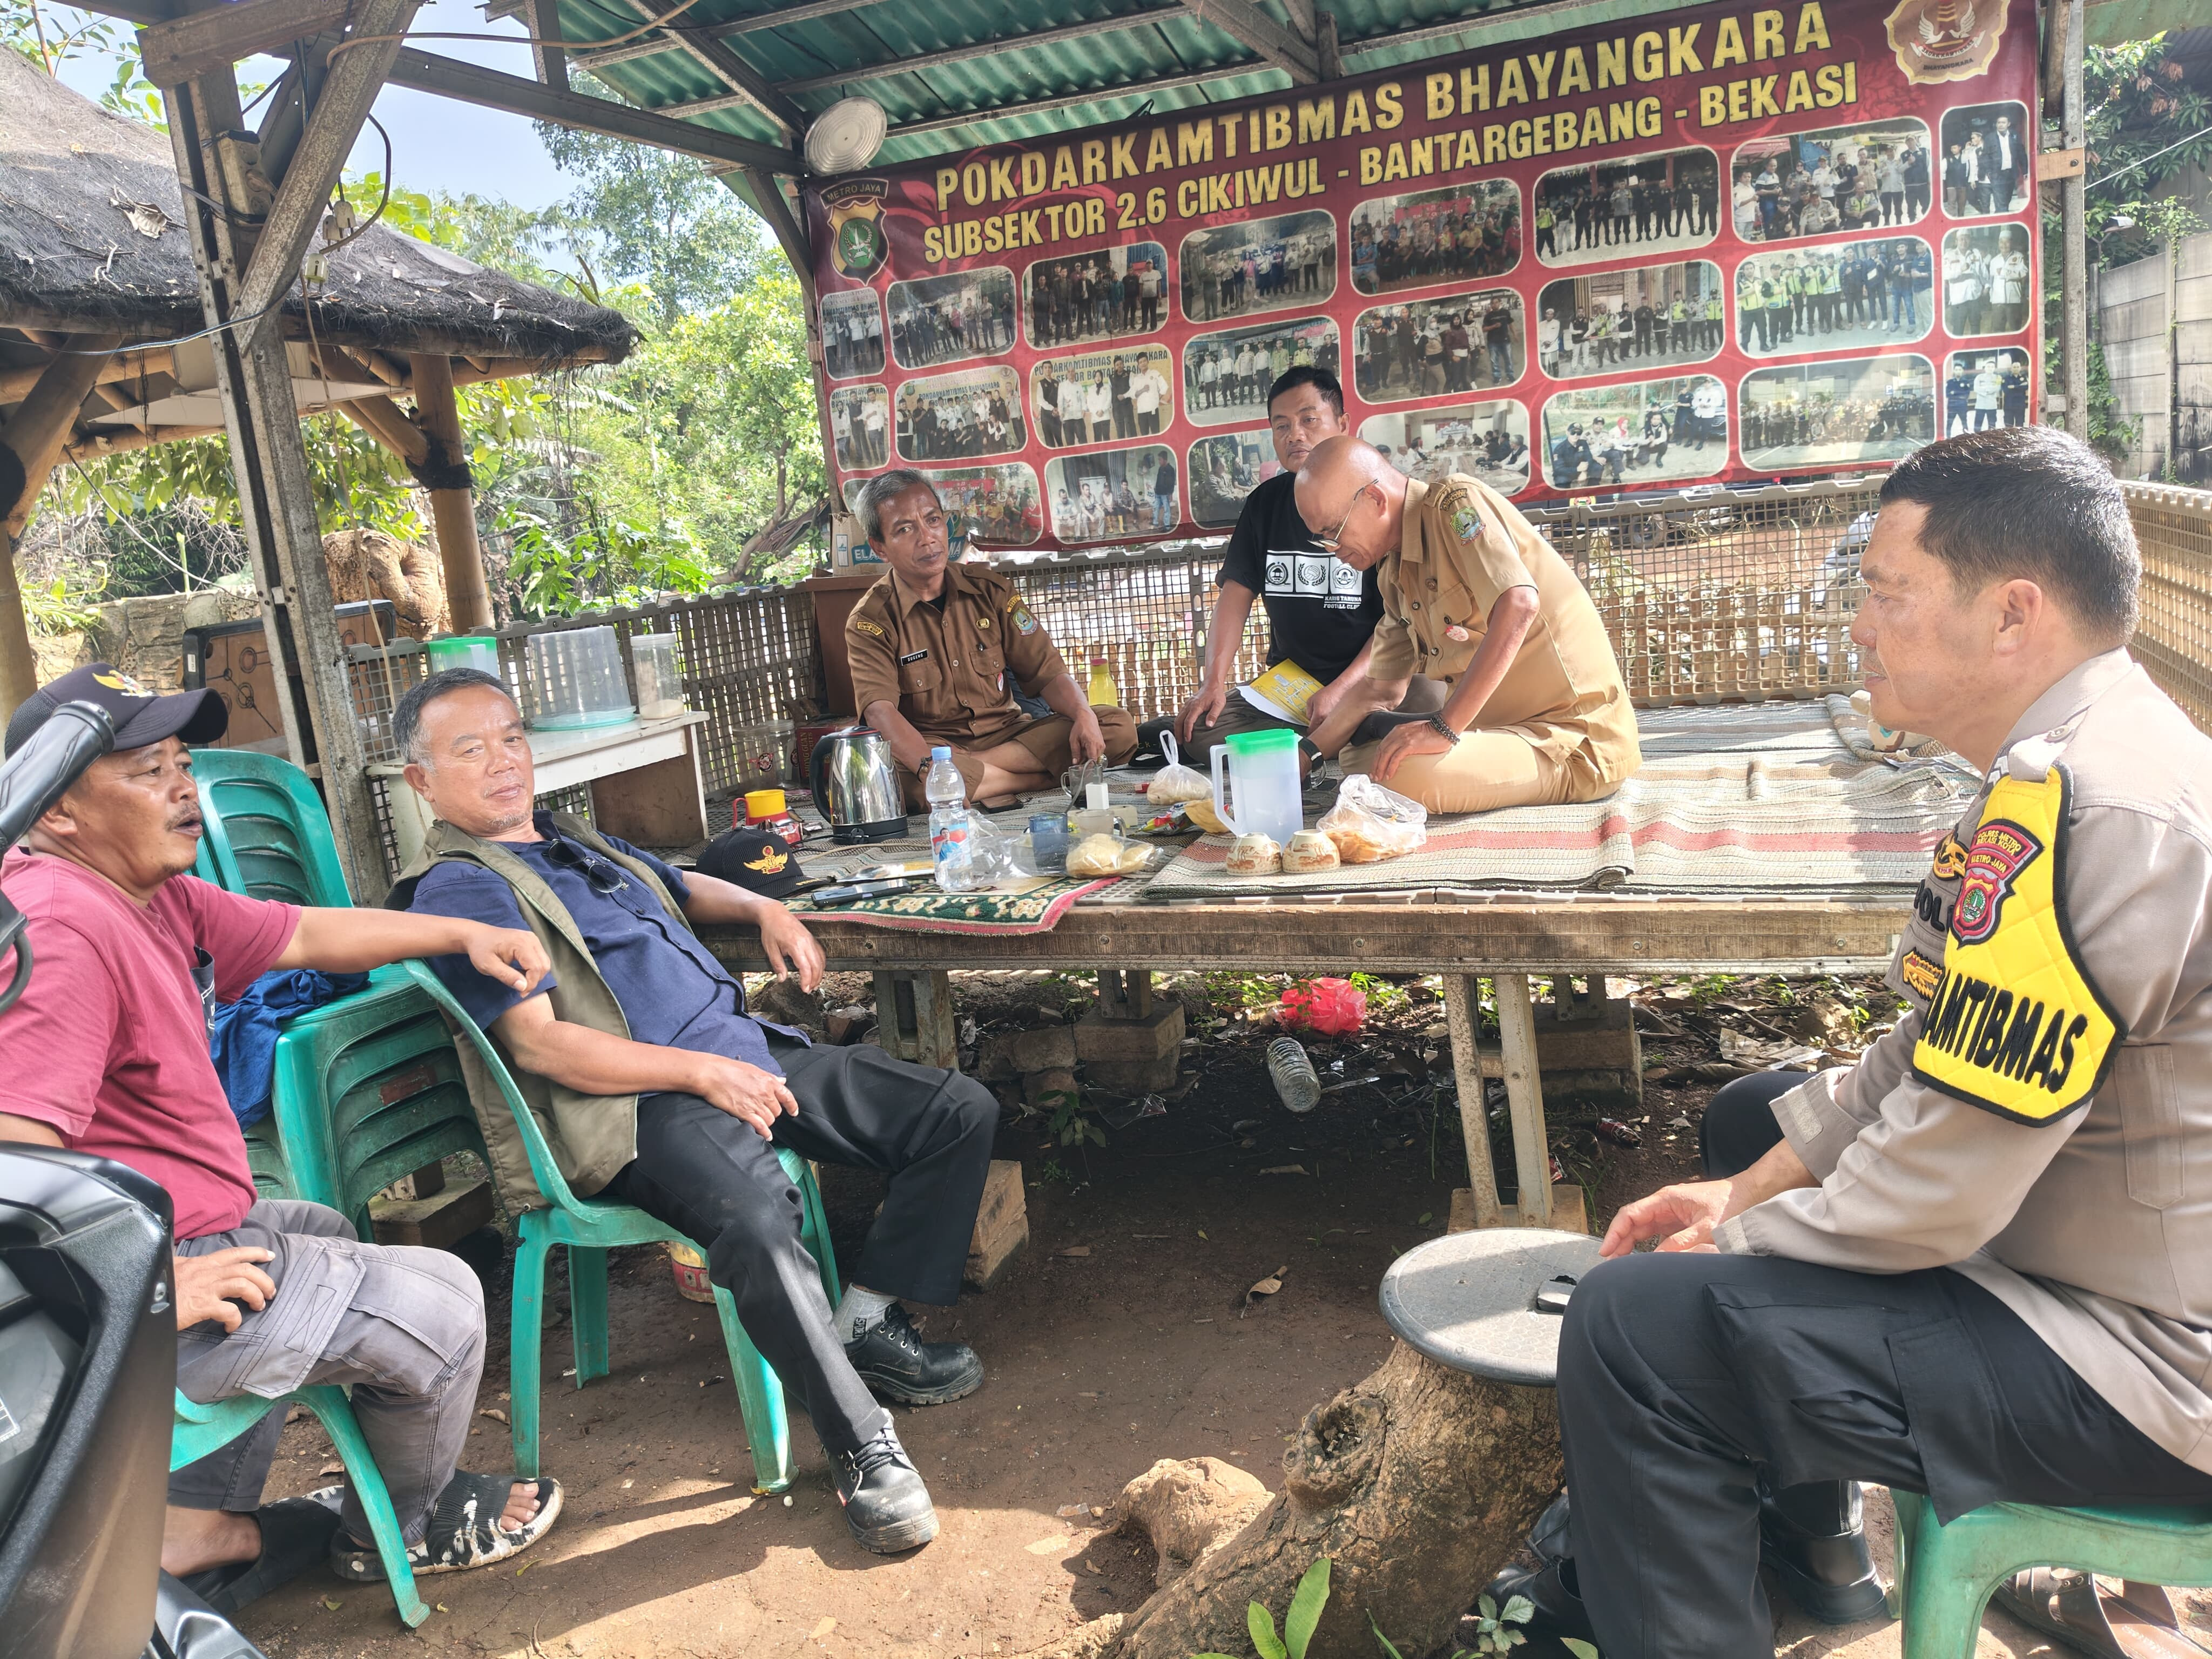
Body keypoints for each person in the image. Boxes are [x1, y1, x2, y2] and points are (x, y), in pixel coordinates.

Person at [1490, 426, 2212, 1659]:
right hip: (2081, 1253)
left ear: (2012, 615)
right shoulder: (2065, 764)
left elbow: (1937, 1185)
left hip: (2143, 1366)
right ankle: (1815, 1562)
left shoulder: (2091, 806)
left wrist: (1734, 1238)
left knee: (1632, 1327)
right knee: (1752, 1113)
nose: (1862, 626)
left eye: (1888, 592)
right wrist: (1746, 1178)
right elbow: (1931, 1048)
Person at [390, 670, 995, 1555]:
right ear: (421, 780)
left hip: (743, 1055)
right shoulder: (464, 889)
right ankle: (861, 1442)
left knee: (955, 1110)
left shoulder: (566, 840)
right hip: (644, 1103)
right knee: (755, 1219)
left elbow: (673, 882)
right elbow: (543, 1048)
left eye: (511, 738)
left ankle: (865, 1323)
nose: (502, 762)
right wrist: (701, 1073)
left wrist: (765, 906)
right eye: (469, 749)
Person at [0, 664, 565, 1609]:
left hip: (178, 1225)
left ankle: (192, 1536)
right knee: (447, 1300)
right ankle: (411, 1526)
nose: (184, 787)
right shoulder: (63, 927)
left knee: (321, 1229)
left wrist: (454, 931)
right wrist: (145, 1293)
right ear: (58, 811)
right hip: (124, 1288)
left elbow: (299, 931)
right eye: (148, 771)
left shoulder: (147, 889)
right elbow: (15, 1166)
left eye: (183, 761)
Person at [1287, 437, 1641, 814]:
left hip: (1570, 741)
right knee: (1360, 758)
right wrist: (1306, 755)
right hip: (1499, 735)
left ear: (1375, 500)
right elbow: (1378, 689)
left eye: (1333, 531)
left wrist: (1443, 727)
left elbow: (1518, 603)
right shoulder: (1393, 571)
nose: (1333, 548)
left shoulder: (1455, 504)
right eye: (1322, 539)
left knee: (1395, 774)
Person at [1142, 366, 1445, 765]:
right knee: (1202, 733)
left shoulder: (1377, 500)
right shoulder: (1265, 504)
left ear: (1343, 424)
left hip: (1377, 680)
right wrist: (1212, 683)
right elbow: (1236, 595)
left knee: (1430, 703)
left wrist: (1343, 690)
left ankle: (1333, 738)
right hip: (1293, 690)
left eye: (1308, 419)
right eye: (1281, 425)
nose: (1294, 434)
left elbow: (1400, 625)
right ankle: (1341, 741)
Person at [846, 470, 1137, 805]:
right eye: (905, 529)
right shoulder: (870, 620)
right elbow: (881, 713)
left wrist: (1084, 715)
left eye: (933, 520)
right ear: (879, 548)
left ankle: (981, 779)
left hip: (1012, 736)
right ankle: (1039, 779)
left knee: (1115, 726)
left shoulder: (990, 590)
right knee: (890, 778)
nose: (927, 538)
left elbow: (1047, 672)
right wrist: (931, 767)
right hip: (935, 748)